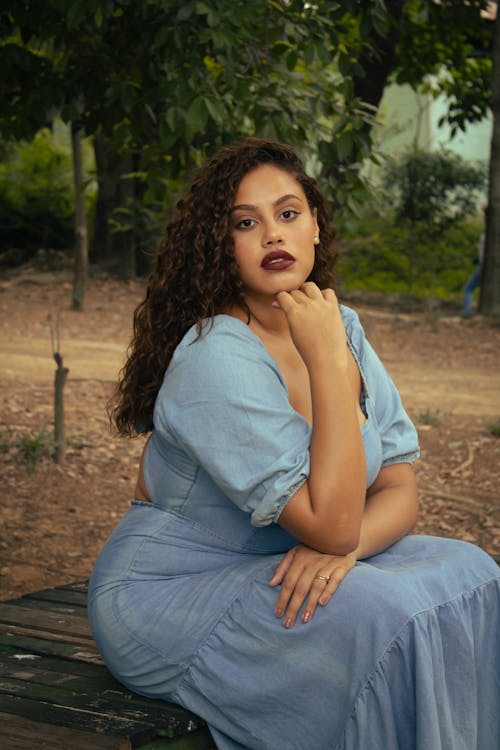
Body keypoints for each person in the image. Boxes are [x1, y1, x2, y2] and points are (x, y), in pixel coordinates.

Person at [88, 138, 500, 750]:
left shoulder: (341, 325)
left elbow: (397, 486)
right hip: (169, 595)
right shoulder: (214, 356)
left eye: (288, 214)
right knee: (383, 612)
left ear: (314, 227)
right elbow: (328, 525)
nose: (272, 236)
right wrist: (330, 367)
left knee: (472, 570)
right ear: (220, 246)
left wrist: (346, 549)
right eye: (244, 223)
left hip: (280, 560)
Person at [463, 210, 486, 316]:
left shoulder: (486, 236)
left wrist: (481, 265)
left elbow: (484, 254)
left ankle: (467, 313)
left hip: (484, 267)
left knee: (468, 288)